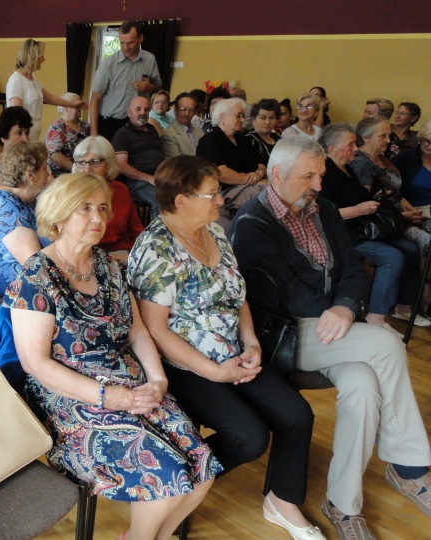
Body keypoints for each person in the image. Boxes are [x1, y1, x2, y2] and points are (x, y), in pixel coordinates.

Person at [229, 137, 431, 540]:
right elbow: (281, 295)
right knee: (388, 342)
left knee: (363, 383)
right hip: (286, 335)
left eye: (320, 175)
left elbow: (353, 269)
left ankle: (343, 503)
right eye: (309, 176)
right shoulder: (253, 224)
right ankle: (409, 467)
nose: (318, 185)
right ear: (277, 175)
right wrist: (336, 310)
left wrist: (345, 305)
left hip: (332, 328)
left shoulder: (322, 210)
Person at [6, 171, 219, 540]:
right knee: (167, 477)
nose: (98, 218)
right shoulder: (35, 276)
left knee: (203, 471)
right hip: (70, 399)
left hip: (132, 385)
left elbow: (137, 332)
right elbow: (35, 364)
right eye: (84, 209)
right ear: (58, 215)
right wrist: (108, 396)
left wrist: (158, 379)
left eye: (102, 208)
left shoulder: (107, 265)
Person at [128, 156, 322, 540]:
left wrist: (251, 343)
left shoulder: (215, 233)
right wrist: (214, 371)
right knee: (248, 439)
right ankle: (175, 489)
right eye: (212, 193)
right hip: (186, 367)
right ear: (181, 199)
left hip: (235, 353)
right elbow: (156, 330)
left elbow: (238, 297)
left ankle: (282, 502)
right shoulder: (155, 249)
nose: (221, 199)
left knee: (297, 414)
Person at [319, 123, 428, 333]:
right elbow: (322, 214)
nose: (356, 148)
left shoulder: (348, 168)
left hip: (363, 227)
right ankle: (376, 317)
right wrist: (356, 210)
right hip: (342, 233)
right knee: (392, 256)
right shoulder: (325, 172)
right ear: (332, 148)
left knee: (411, 249)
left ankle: (402, 306)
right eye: (350, 144)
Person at [0, 142, 51, 318]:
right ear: (31, 175)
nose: (48, 174)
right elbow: (36, 267)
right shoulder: (5, 209)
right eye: (45, 169)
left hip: (26, 291)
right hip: (1, 297)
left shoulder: (25, 201)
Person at [349, 117, 431, 256]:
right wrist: (403, 216)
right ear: (366, 137)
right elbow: (365, 203)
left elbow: (394, 191)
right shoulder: (362, 163)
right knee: (419, 244)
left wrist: (407, 206)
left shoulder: (381, 159)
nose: (388, 140)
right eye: (383, 136)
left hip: (400, 215)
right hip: (385, 222)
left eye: (389, 136)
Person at [196, 97, 267, 229]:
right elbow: (220, 173)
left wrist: (258, 173)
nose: (242, 120)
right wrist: (251, 180)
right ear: (223, 117)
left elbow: (261, 163)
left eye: (243, 116)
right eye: (238, 116)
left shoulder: (242, 139)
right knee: (264, 192)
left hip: (247, 187)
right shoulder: (210, 141)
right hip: (223, 191)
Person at [71, 136, 144, 257]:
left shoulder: (120, 190)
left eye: (95, 162)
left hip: (121, 254)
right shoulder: (69, 193)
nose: (87, 169)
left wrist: (137, 256)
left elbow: (137, 231)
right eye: (81, 162)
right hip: (85, 256)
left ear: (108, 165)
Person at [89, 20, 162, 141]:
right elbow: (95, 99)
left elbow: (158, 86)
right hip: (112, 124)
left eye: (130, 43)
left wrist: (150, 87)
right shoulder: (108, 64)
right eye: (122, 43)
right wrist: (93, 132)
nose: (126, 47)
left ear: (140, 39)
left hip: (138, 122)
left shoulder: (149, 59)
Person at [6, 39, 83, 141]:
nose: (43, 59)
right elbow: (17, 114)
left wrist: (72, 104)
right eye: (41, 55)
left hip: (34, 134)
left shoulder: (32, 78)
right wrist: (24, 137)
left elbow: (50, 97)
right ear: (33, 57)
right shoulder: (16, 80)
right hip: (23, 136)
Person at [111, 96, 166, 218]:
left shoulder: (152, 130)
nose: (143, 113)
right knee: (160, 201)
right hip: (137, 182)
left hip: (160, 178)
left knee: (183, 196)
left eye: (146, 110)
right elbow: (121, 165)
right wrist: (148, 178)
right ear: (129, 112)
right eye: (138, 109)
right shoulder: (122, 133)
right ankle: (156, 236)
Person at [0, 106, 32, 195]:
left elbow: (53, 188)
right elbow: (8, 198)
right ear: (3, 137)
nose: (25, 139)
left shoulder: (33, 160)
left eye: (27, 133)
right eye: (19, 133)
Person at [44, 93, 90, 177]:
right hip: (62, 175)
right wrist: (76, 169)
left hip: (85, 171)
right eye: (77, 105)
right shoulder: (57, 128)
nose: (80, 108)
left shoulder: (86, 126)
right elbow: (54, 155)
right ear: (65, 107)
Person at [393, 121, 431, 216]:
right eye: (426, 141)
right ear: (419, 138)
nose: (430, 147)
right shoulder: (404, 159)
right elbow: (391, 188)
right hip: (416, 210)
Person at [161, 92, 204, 158]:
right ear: (175, 110)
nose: (187, 113)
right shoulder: (169, 134)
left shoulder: (198, 130)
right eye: (183, 109)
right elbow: (175, 164)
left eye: (191, 110)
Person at [245, 99, 281, 165]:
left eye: (272, 118)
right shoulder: (249, 140)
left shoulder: (278, 137)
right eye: (263, 118)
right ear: (253, 120)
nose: (267, 122)